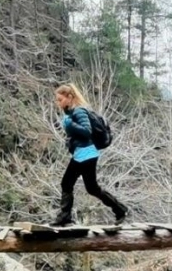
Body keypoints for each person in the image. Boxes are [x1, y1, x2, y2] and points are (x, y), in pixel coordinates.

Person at [50, 84, 128, 226]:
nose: (58, 103)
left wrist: (69, 125)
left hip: (85, 153)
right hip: (85, 153)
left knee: (67, 183)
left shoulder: (79, 111)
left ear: (69, 97)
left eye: (60, 100)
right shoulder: (72, 113)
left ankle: (64, 218)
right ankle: (120, 210)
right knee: (92, 188)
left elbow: (87, 131)